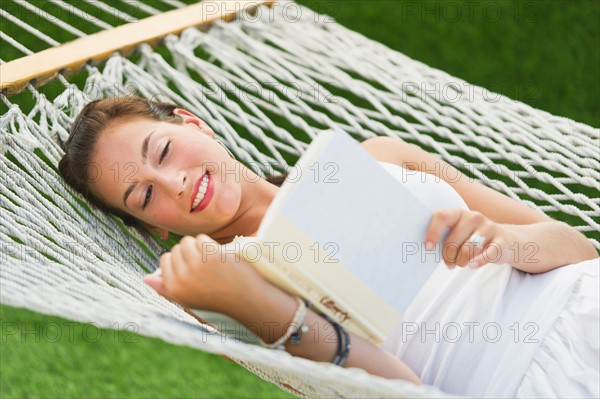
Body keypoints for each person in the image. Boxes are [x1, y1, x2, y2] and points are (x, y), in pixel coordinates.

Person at [59, 96, 599, 397]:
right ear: (151, 227)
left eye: (164, 150)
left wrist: (503, 243)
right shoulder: (217, 289)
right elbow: (397, 392)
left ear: (192, 123)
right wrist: (258, 306)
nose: (175, 183)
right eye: (145, 194)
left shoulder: (377, 157)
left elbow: (575, 247)